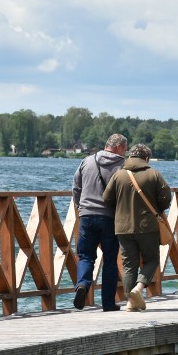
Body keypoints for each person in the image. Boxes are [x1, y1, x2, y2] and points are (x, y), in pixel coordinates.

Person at [102, 143, 172, 312]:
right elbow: (166, 197)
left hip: (123, 227)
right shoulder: (153, 174)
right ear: (146, 158)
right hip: (148, 226)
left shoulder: (118, 175)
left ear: (131, 156)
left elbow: (106, 198)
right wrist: (158, 209)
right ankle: (138, 288)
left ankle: (130, 302)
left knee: (128, 265)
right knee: (152, 260)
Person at [72, 133, 128, 312]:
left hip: (87, 216)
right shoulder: (123, 165)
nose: (125, 152)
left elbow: (76, 187)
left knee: (86, 256)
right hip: (110, 218)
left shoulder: (87, 161)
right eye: (125, 149)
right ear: (119, 147)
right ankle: (108, 303)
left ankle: (82, 284)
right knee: (110, 260)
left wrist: (80, 208)